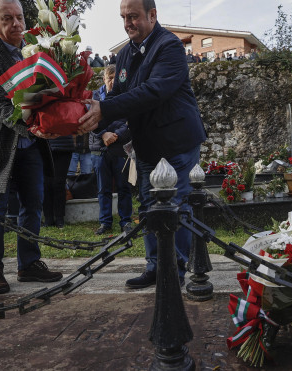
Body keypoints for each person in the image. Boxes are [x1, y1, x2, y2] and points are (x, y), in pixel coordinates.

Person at [78, 0, 207, 289]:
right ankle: (155, 267)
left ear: (152, 15)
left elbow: (154, 92)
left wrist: (104, 111)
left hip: (177, 144)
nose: (127, 23)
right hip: (147, 147)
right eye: (123, 17)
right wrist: (85, 116)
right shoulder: (124, 55)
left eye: (133, 16)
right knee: (149, 206)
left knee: (178, 206)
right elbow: (116, 99)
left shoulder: (169, 46)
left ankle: (177, 268)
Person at [0, 0, 63, 294]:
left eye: (20, 17)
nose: (16, 24)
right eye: (7, 18)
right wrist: (37, 127)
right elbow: (0, 106)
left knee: (33, 203)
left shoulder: (40, 50)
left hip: (29, 145)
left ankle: (29, 263)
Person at [90, 64, 133, 236]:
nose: (113, 81)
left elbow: (129, 121)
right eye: (110, 78)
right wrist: (103, 133)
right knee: (103, 188)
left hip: (119, 146)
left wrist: (114, 134)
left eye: (116, 78)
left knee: (124, 187)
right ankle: (105, 222)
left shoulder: (126, 96)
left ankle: (126, 221)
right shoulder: (94, 96)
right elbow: (89, 120)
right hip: (99, 148)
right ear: (104, 79)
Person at [42, 134, 75, 228]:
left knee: (59, 183)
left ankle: (59, 218)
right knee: (46, 183)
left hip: (63, 146)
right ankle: (48, 218)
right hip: (45, 145)